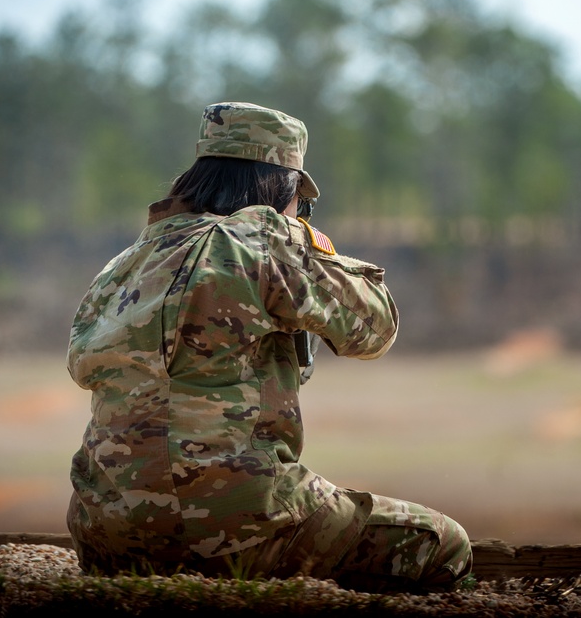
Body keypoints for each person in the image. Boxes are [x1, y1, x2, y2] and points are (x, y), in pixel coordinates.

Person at [66, 101, 473, 591]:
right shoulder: (264, 242)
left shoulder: (124, 264)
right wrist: (302, 238)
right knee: (445, 543)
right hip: (241, 531)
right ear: (284, 189)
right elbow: (376, 326)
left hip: (105, 539)